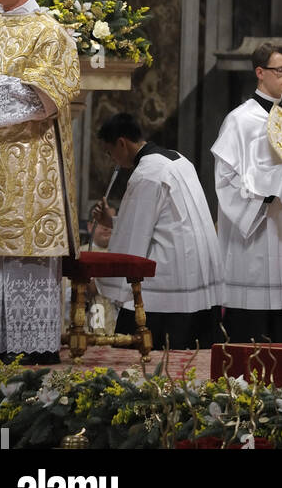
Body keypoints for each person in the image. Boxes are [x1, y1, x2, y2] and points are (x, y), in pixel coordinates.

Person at [0, 0, 80, 363]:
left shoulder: (50, 32)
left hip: (29, 161)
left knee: (23, 252)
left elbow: (53, 94)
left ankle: (29, 350)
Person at [91, 113, 222, 350]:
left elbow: (135, 234)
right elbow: (164, 220)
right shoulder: (179, 160)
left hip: (170, 274)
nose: (113, 161)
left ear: (122, 143)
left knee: (139, 344)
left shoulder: (146, 173)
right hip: (196, 267)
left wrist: (106, 281)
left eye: (110, 153)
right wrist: (112, 221)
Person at [212, 42, 282, 343]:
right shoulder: (239, 121)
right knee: (251, 327)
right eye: (280, 70)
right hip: (256, 229)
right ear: (260, 72)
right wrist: (266, 192)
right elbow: (225, 180)